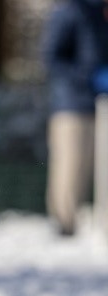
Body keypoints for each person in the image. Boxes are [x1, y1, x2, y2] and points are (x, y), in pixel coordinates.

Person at [42, 0, 108, 236]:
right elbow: (52, 57)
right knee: (71, 166)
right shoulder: (69, 11)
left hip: (102, 106)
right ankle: (64, 225)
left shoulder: (100, 12)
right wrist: (87, 78)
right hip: (72, 106)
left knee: (99, 166)